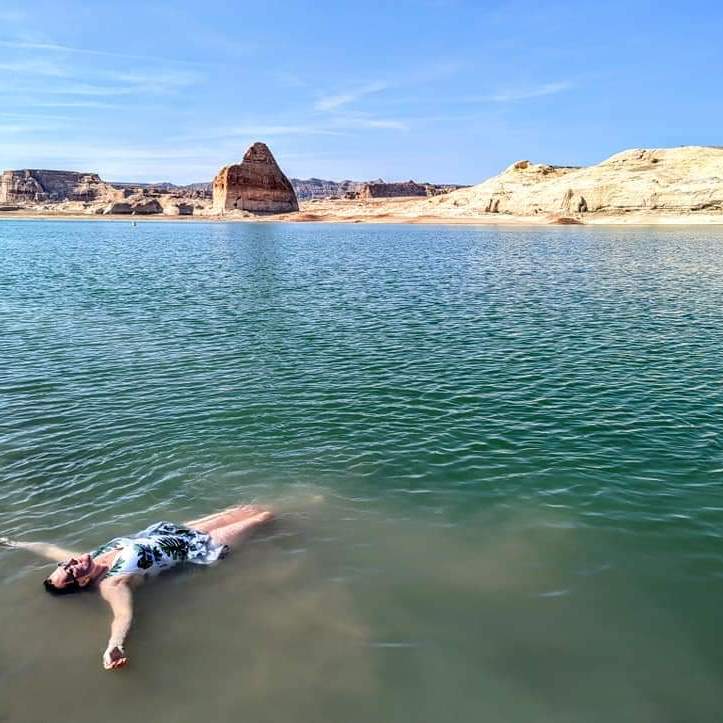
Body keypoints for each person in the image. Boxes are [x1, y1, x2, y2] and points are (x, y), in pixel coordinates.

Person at [0, 504, 273, 670]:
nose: (70, 561)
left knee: (245, 510)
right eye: (70, 569)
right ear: (81, 581)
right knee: (262, 519)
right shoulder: (111, 583)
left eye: (65, 565)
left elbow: (48, 548)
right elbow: (123, 615)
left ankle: (306, 498)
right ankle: (308, 507)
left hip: (175, 532)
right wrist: (114, 645)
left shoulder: (87, 561)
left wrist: (13, 543)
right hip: (199, 547)